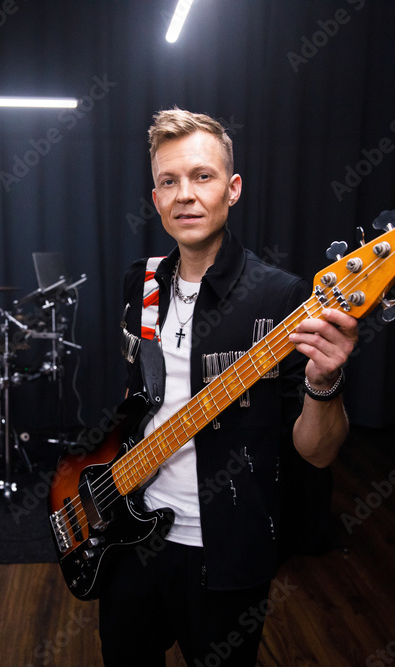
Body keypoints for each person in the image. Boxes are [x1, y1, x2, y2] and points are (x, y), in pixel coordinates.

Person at [99, 108, 357, 666]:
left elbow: (318, 452)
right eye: (169, 181)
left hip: (225, 554)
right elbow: (136, 403)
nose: (185, 195)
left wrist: (325, 383)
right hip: (130, 540)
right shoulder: (140, 282)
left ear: (233, 189)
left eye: (203, 176)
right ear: (155, 196)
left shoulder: (283, 299)